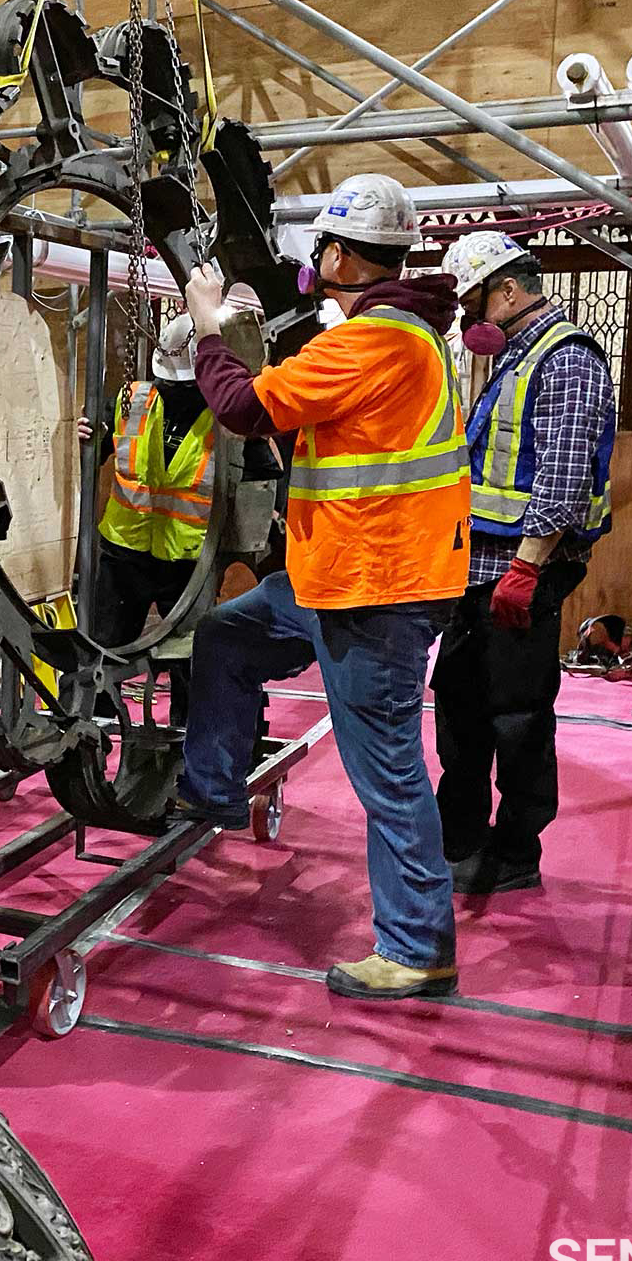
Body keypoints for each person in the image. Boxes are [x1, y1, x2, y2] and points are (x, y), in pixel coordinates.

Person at [179, 173, 471, 1001]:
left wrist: (208, 332)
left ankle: (417, 948)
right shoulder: (406, 336)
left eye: (321, 254)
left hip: (371, 592)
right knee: (228, 633)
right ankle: (214, 791)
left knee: (387, 773)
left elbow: (241, 407)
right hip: (332, 578)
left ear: (339, 255)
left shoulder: (372, 341)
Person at [433, 230, 615, 894]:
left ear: (507, 289)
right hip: (478, 569)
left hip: (518, 574)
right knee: (459, 708)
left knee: (518, 716)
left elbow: (564, 477)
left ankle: (513, 854)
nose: (470, 318)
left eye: (475, 302)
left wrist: (528, 567)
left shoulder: (565, 359)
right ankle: (460, 840)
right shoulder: (513, 357)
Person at [76, 310, 216, 688]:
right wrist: (85, 434)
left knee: (196, 668)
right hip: (124, 555)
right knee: (101, 656)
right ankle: (91, 732)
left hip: (187, 565)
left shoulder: (226, 420)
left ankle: (193, 739)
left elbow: (261, 474)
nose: (174, 391)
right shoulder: (131, 400)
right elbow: (94, 444)